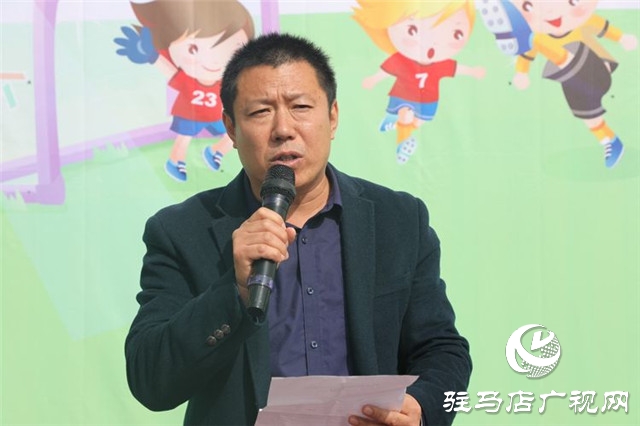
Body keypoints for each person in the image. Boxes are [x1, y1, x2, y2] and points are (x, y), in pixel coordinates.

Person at [125, 32, 471, 426]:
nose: (283, 129)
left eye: (301, 106)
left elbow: (442, 349)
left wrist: (421, 408)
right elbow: (150, 380)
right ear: (231, 129)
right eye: (260, 112)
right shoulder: (181, 231)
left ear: (333, 116)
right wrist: (234, 291)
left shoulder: (399, 219)